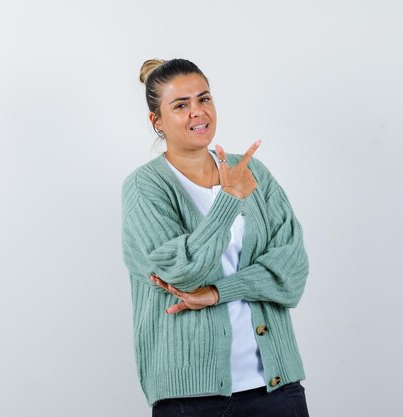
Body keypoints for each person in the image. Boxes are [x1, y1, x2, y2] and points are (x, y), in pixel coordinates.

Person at [121, 58, 310, 417]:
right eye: (181, 105)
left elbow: (292, 274)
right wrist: (229, 199)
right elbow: (183, 271)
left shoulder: (251, 172)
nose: (198, 112)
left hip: (276, 386)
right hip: (190, 397)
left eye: (204, 98)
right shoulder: (143, 188)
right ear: (156, 121)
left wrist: (218, 293)